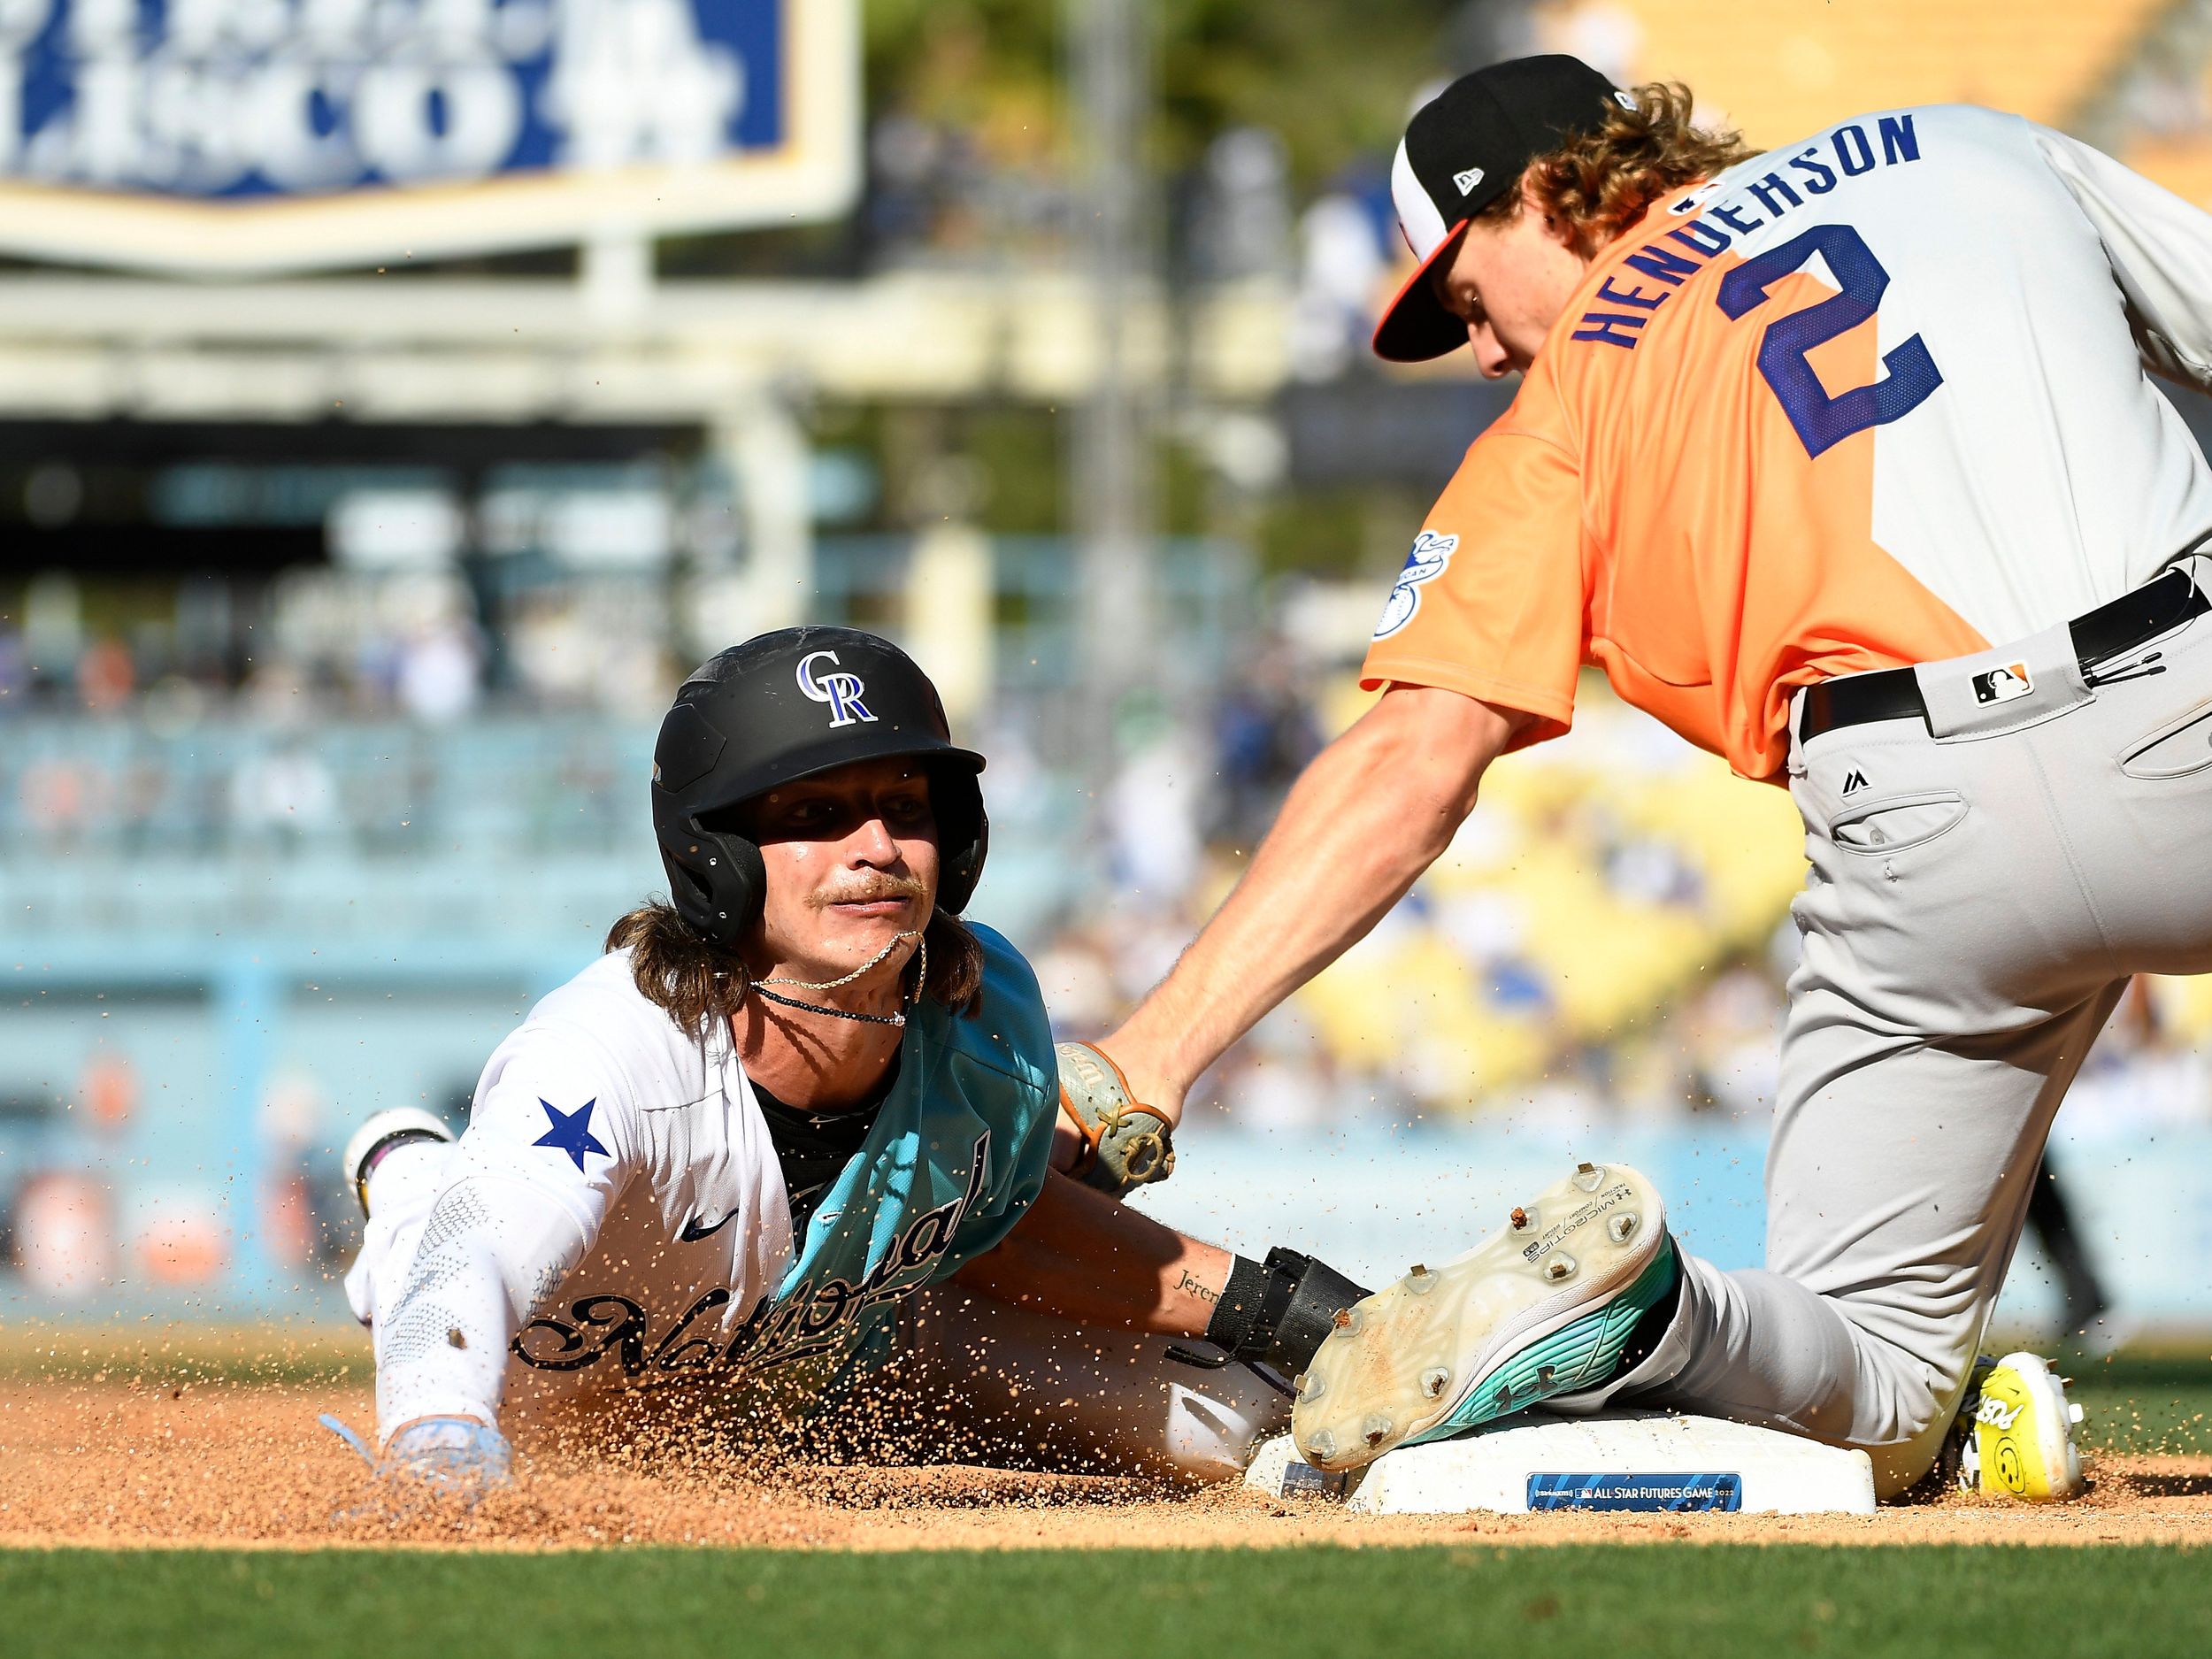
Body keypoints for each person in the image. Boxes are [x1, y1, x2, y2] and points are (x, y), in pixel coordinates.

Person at [1083, 56, 2212, 1500]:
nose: (1482, 352)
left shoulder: (1562, 415)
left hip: (1914, 831)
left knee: (1869, 1390)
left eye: (1471, 298)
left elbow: (1414, 764)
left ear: (1548, 195)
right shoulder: (1968, 147)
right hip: (2182, 687)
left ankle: (1643, 1311)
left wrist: (1149, 1062)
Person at [327, 628, 1368, 1500]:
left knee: (1245, 1423)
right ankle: (409, 1168)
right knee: (438, 1218)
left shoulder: (989, 1018)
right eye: (814, 816)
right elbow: (469, 1261)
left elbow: (1000, 1236)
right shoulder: (610, 1051)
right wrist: (440, 1444)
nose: (875, 846)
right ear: (716, 856)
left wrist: (1283, 1314)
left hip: (834, 1371)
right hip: (573, 1402)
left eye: (905, 807)